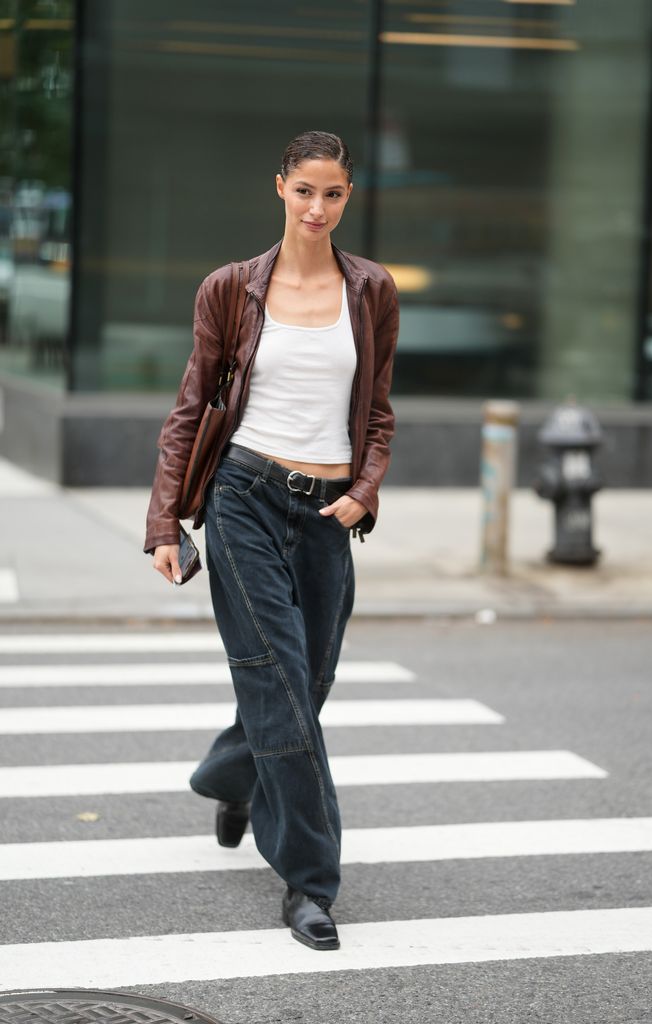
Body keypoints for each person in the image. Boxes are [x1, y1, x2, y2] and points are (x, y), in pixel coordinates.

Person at [144, 130, 400, 951]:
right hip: (246, 495)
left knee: (307, 679)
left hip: (329, 512)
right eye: (304, 192)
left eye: (333, 194)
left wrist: (364, 493)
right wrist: (165, 522)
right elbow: (192, 407)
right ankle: (309, 882)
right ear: (280, 188)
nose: (317, 208)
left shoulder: (372, 290)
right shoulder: (231, 289)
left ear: (348, 197)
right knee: (279, 680)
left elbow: (381, 411)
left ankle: (232, 774)